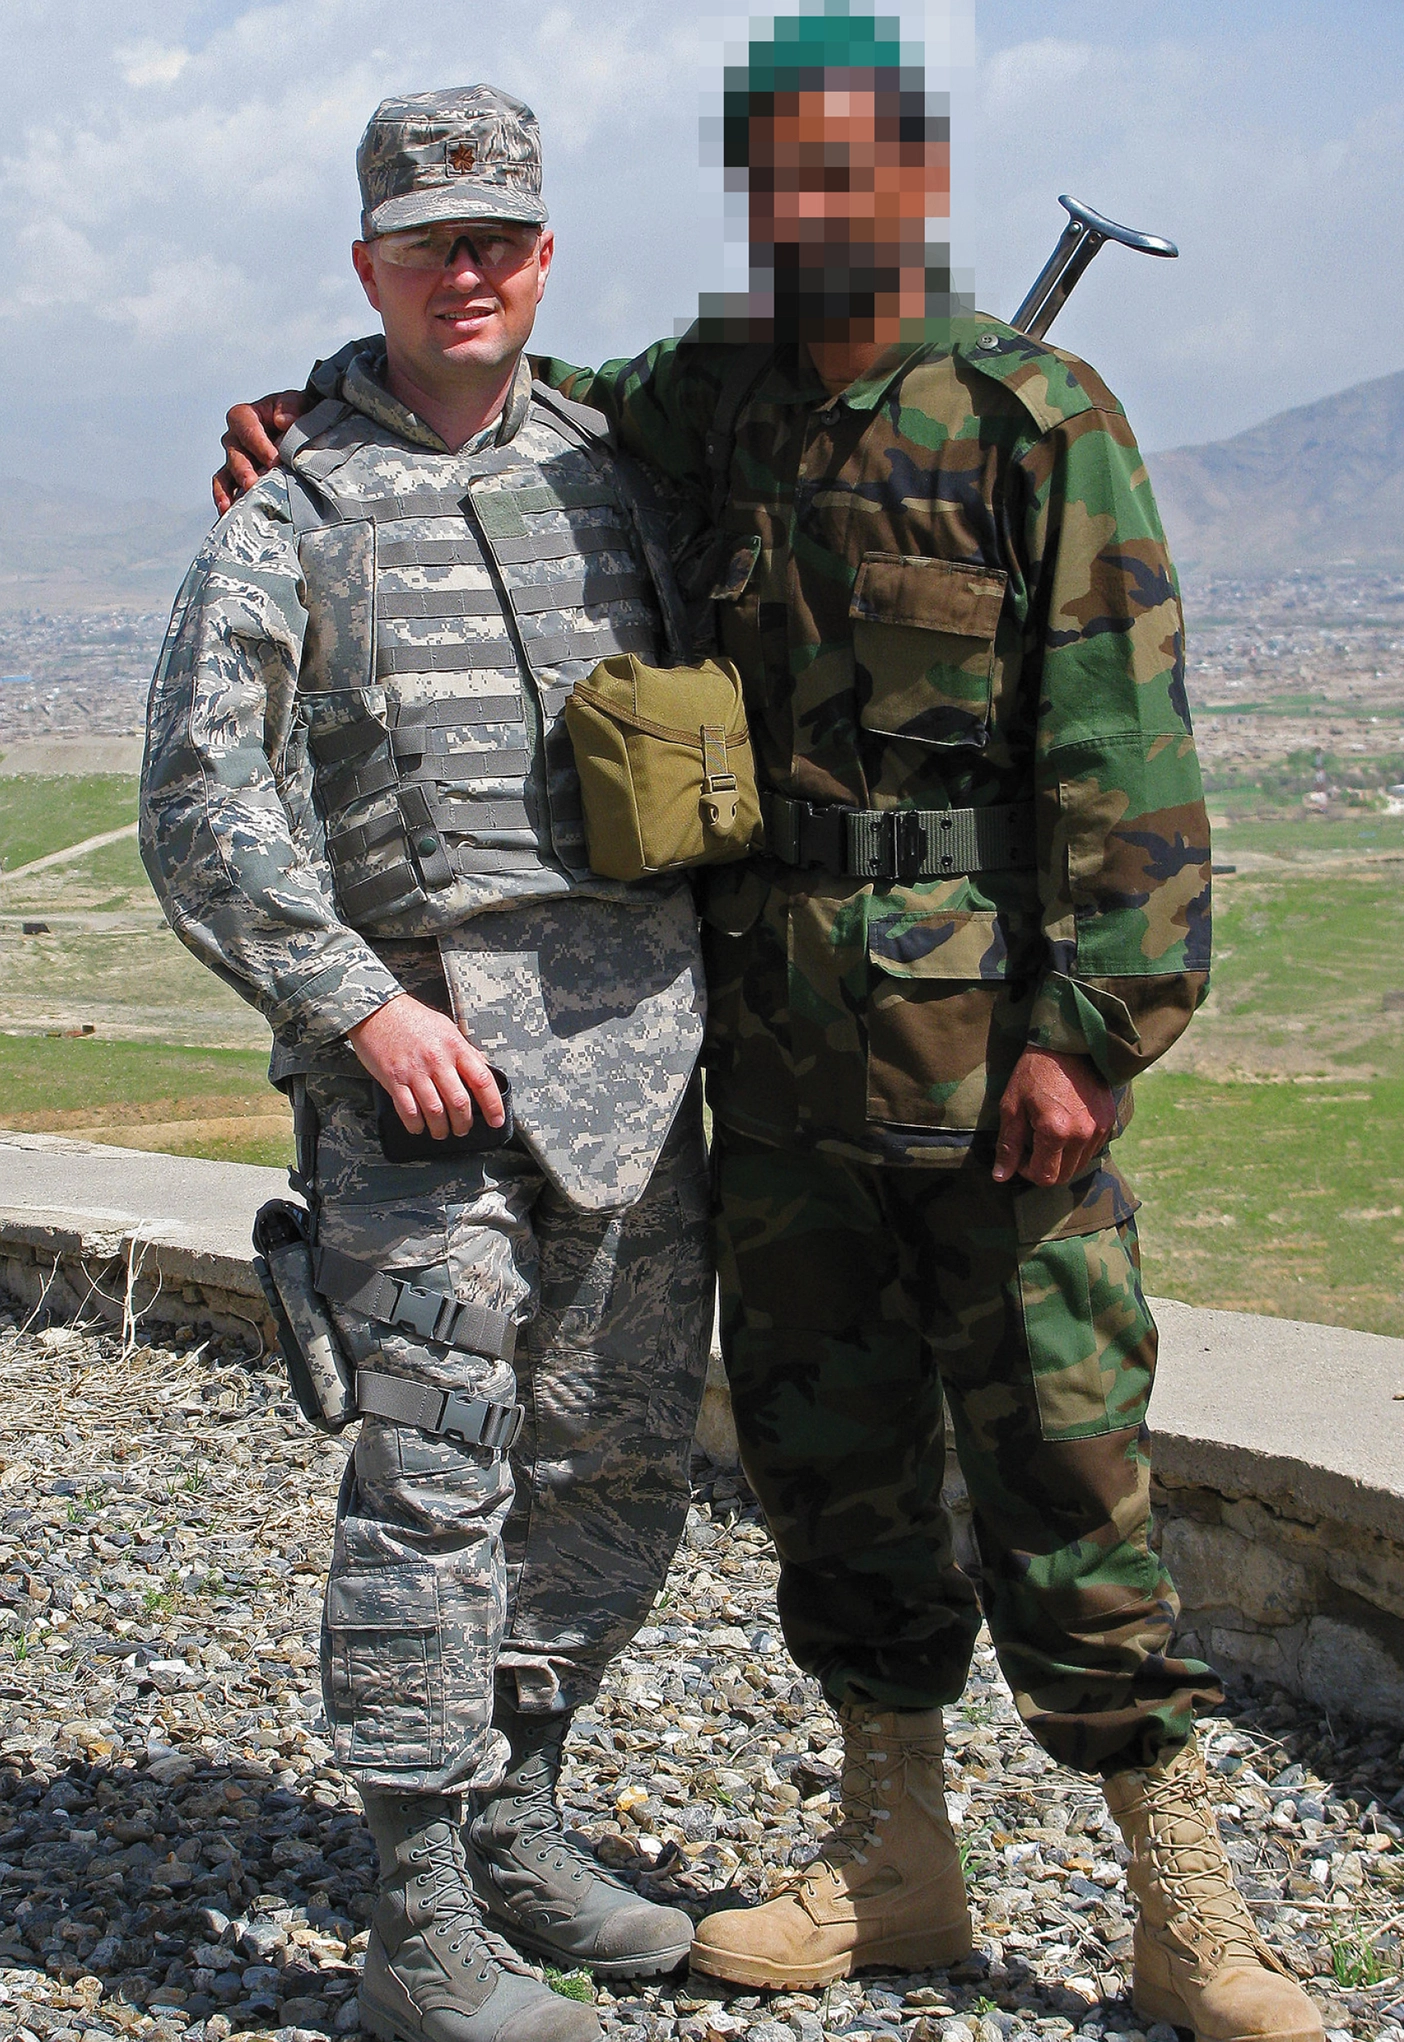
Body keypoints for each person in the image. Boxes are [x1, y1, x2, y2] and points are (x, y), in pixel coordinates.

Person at [214, 23, 1324, 2042]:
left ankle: (1188, 1906)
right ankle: (896, 1861)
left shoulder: (1034, 411)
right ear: (759, 202)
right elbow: (493, 407)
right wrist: (303, 416)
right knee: (836, 1474)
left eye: (850, 177)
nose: (817, 213)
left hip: (1001, 1065)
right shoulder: (707, 396)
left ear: (914, 179)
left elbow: (1131, 759)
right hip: (781, 1062)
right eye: (782, 184)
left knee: (1073, 1466)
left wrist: (1100, 1031)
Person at [145, 85, 718, 2042]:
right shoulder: (292, 506)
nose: (466, 270)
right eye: (428, 241)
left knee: (620, 1449)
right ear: (368, 260)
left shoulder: (621, 470)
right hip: (415, 1070)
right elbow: (202, 811)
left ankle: (516, 1823)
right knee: (437, 1471)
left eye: (499, 238)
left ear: (544, 255)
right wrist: (357, 1009)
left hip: (632, 1052)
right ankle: (413, 1929)